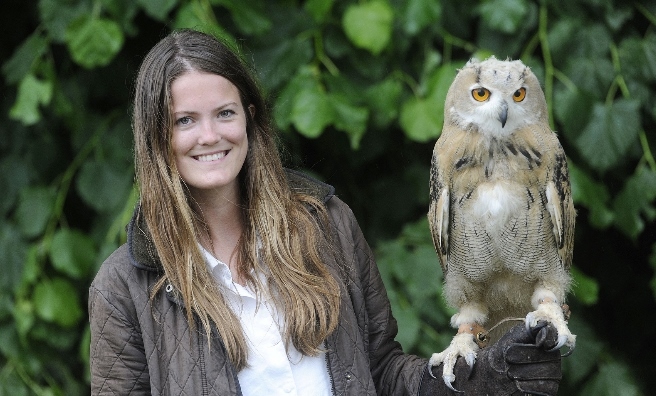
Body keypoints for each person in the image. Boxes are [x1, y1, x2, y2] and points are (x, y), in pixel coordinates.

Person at [88, 29, 562, 395]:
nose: (210, 135)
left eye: (225, 113)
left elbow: (380, 371)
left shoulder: (327, 224)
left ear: (250, 117)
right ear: (156, 136)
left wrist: (474, 383)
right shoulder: (125, 286)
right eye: (184, 121)